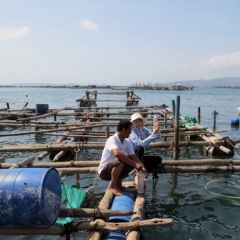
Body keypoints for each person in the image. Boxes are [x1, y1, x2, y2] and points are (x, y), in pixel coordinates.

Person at [98, 119, 147, 196]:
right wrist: (135, 164)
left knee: (133, 164)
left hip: (116, 169)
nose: (131, 132)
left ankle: (118, 183)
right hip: (104, 172)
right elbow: (117, 153)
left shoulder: (127, 141)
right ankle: (113, 185)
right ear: (124, 130)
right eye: (130, 130)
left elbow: (133, 156)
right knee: (121, 160)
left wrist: (141, 166)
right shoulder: (111, 140)